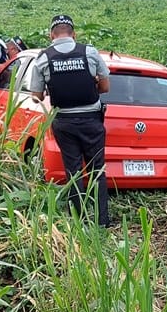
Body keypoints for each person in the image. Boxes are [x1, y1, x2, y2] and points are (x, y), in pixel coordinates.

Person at [29, 14, 111, 227]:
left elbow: (36, 96)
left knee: (73, 172)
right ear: (74, 34)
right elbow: (105, 88)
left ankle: (79, 220)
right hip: (92, 121)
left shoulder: (43, 58)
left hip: (64, 123)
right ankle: (102, 221)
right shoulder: (89, 52)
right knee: (97, 170)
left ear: (51, 35)